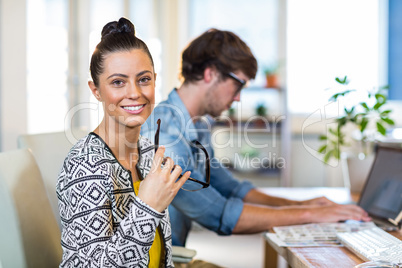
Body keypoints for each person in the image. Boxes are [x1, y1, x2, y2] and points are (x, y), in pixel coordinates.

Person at [140, 28, 371, 249]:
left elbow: (229, 187)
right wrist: (310, 215)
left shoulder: (197, 124)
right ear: (210, 73)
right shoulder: (165, 132)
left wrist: (302, 205)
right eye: (238, 84)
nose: (239, 98)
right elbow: (217, 214)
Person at [56, 17, 190, 267]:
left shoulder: (150, 151)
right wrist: (148, 206)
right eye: (118, 82)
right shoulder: (85, 165)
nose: (135, 93)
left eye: (144, 79)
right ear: (96, 90)